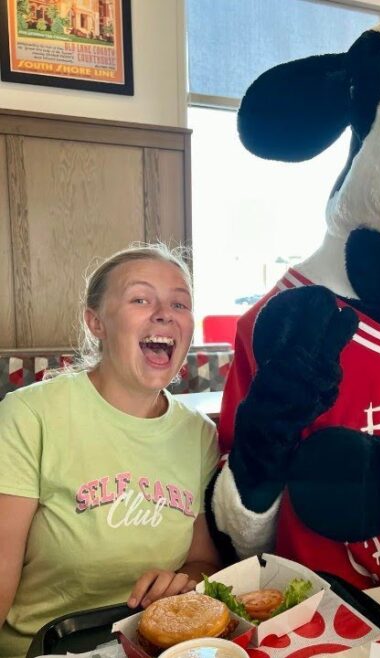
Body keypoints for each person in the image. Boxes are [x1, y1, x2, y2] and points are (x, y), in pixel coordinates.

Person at [0, 245, 220, 658]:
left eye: (179, 302)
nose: (164, 312)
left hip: (152, 647)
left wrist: (184, 581)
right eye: (140, 299)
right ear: (95, 322)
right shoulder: (30, 415)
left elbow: (203, 561)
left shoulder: (200, 435)